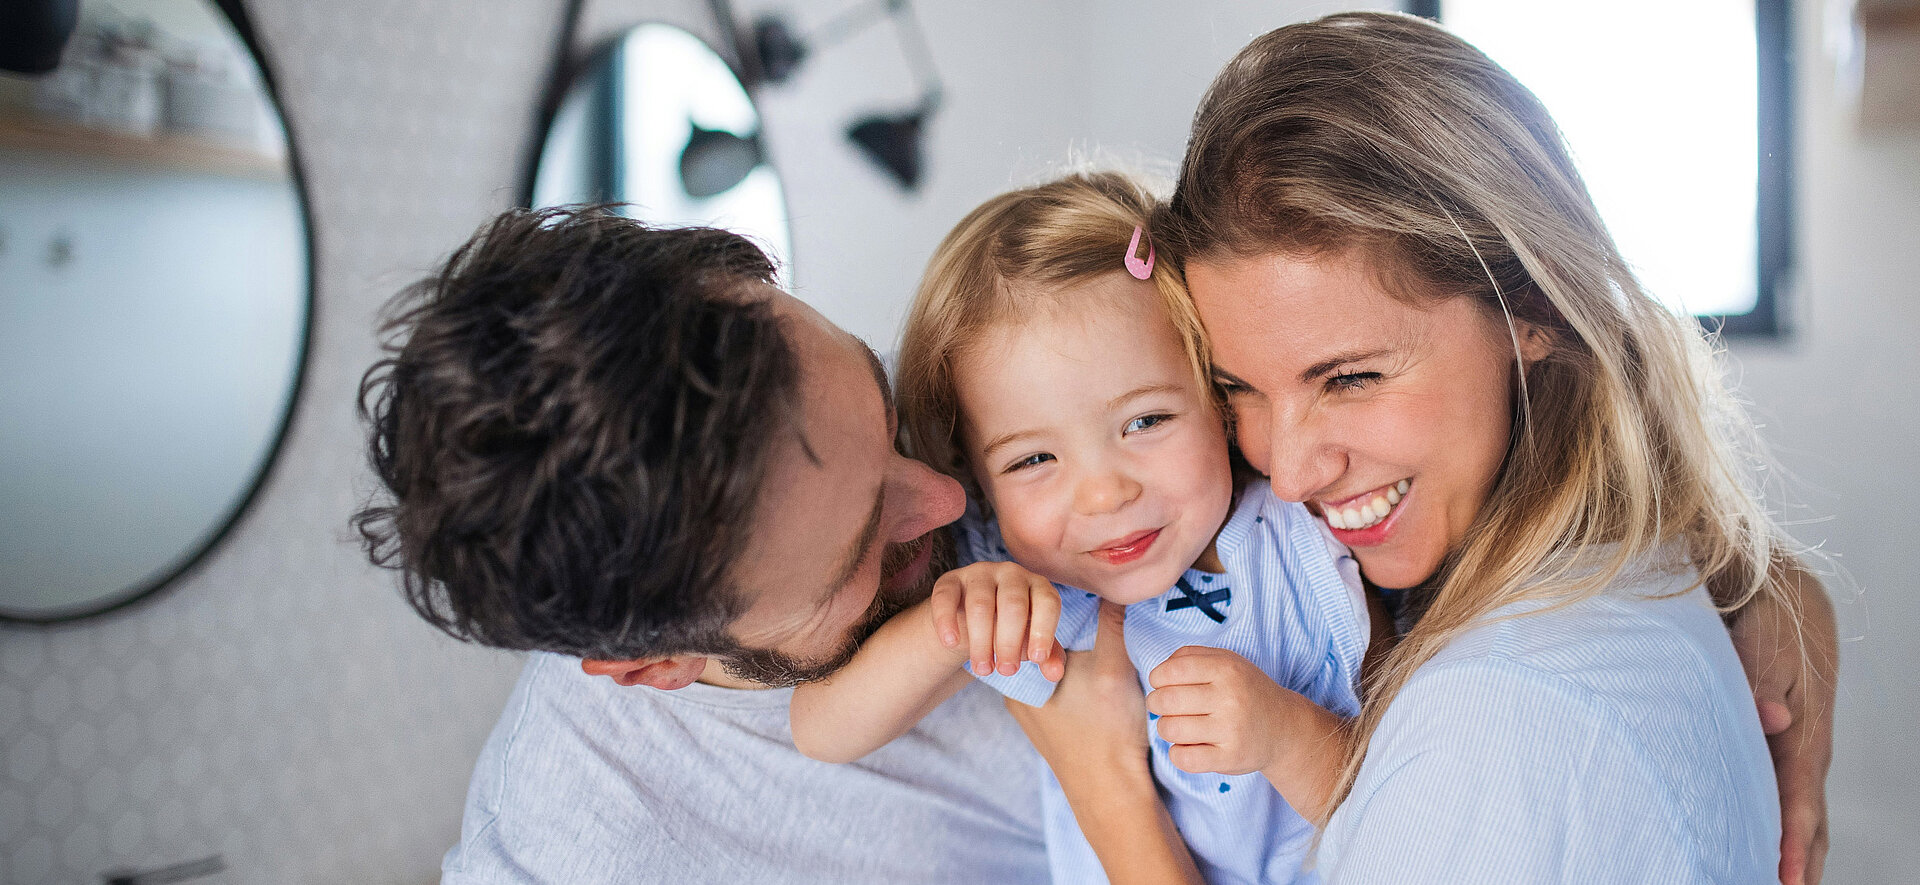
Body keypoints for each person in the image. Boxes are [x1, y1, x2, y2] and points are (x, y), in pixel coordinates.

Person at [1008, 12, 1839, 885]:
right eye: (1237, 390)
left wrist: (1106, 791)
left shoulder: (1491, 720)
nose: (1287, 473)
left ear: (1534, 310)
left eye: (1351, 379)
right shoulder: (1637, 569)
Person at [353, 208, 1048, 883]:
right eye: (860, 548)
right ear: (656, 664)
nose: (947, 495)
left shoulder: (986, 366)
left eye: (887, 415)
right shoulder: (558, 858)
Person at [788, 172, 1370, 885]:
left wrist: (1288, 736)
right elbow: (821, 729)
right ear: (977, 479)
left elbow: (1408, 817)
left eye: (1146, 420)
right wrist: (957, 621)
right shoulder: (1031, 590)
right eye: (1033, 458)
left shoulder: (1302, 546)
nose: (1104, 492)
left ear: (1216, 398)